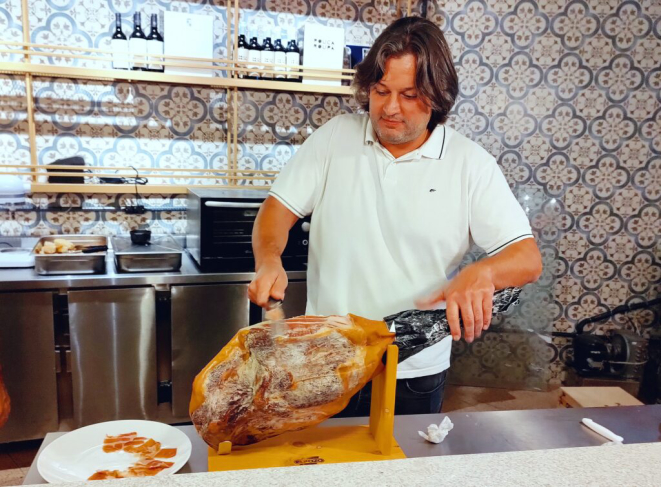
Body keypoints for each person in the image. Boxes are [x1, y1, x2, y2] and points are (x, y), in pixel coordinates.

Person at [249, 16, 542, 416]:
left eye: (409, 95)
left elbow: (527, 258)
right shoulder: (334, 138)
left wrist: (484, 273)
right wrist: (269, 260)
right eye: (381, 90)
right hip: (324, 363)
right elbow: (275, 213)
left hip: (413, 371)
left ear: (437, 96)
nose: (389, 108)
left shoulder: (470, 164)